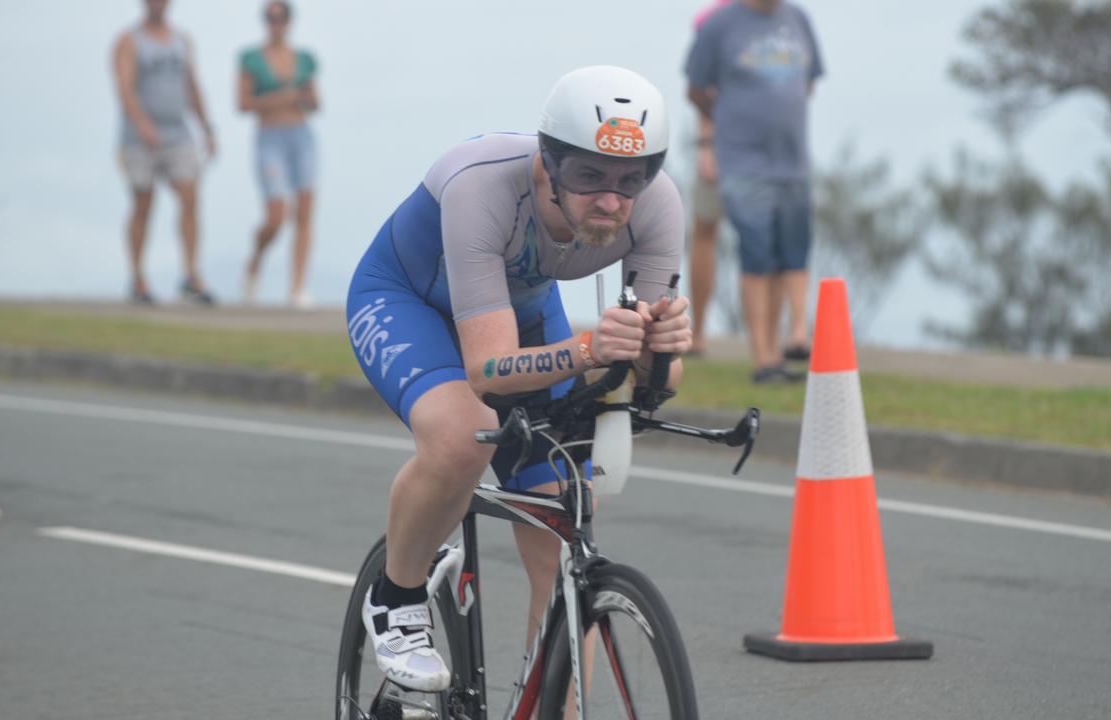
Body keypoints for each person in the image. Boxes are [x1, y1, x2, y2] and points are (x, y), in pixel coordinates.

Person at [346, 66, 692, 691]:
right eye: (589, 176)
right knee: (462, 435)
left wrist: (660, 351)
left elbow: (652, 372)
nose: (612, 200)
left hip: (524, 315)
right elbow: (486, 371)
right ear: (549, 163)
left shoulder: (659, 205)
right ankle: (396, 596)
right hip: (407, 302)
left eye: (629, 180)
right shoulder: (484, 185)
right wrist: (588, 348)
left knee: (564, 520)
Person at [685, 0, 823, 382]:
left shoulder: (799, 19)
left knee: (789, 255)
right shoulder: (719, 24)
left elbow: (807, 82)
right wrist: (712, 139)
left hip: (792, 163)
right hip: (740, 163)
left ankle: (782, 348)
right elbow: (696, 89)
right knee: (755, 255)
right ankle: (761, 359)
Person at [112, 0, 216, 306]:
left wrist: (206, 127)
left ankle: (191, 275)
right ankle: (138, 276)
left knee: (190, 196)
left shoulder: (181, 40)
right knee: (143, 202)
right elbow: (124, 87)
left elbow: (192, 85)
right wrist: (143, 124)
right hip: (139, 138)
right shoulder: (129, 41)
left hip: (178, 133)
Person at [238, 0, 321, 309]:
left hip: (301, 137)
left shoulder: (304, 60)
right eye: (271, 18)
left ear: (289, 21)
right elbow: (243, 103)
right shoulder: (250, 59)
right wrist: (281, 97)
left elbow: (315, 102)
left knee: (304, 212)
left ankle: (298, 287)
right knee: (276, 215)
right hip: (269, 137)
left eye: (281, 17)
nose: (276, 23)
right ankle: (255, 260)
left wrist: (304, 97)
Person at [687, 0, 731, 358]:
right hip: (718, 144)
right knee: (705, 230)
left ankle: (778, 342)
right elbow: (702, 89)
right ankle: (698, 332)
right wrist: (706, 144)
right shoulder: (712, 20)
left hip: (768, 153)